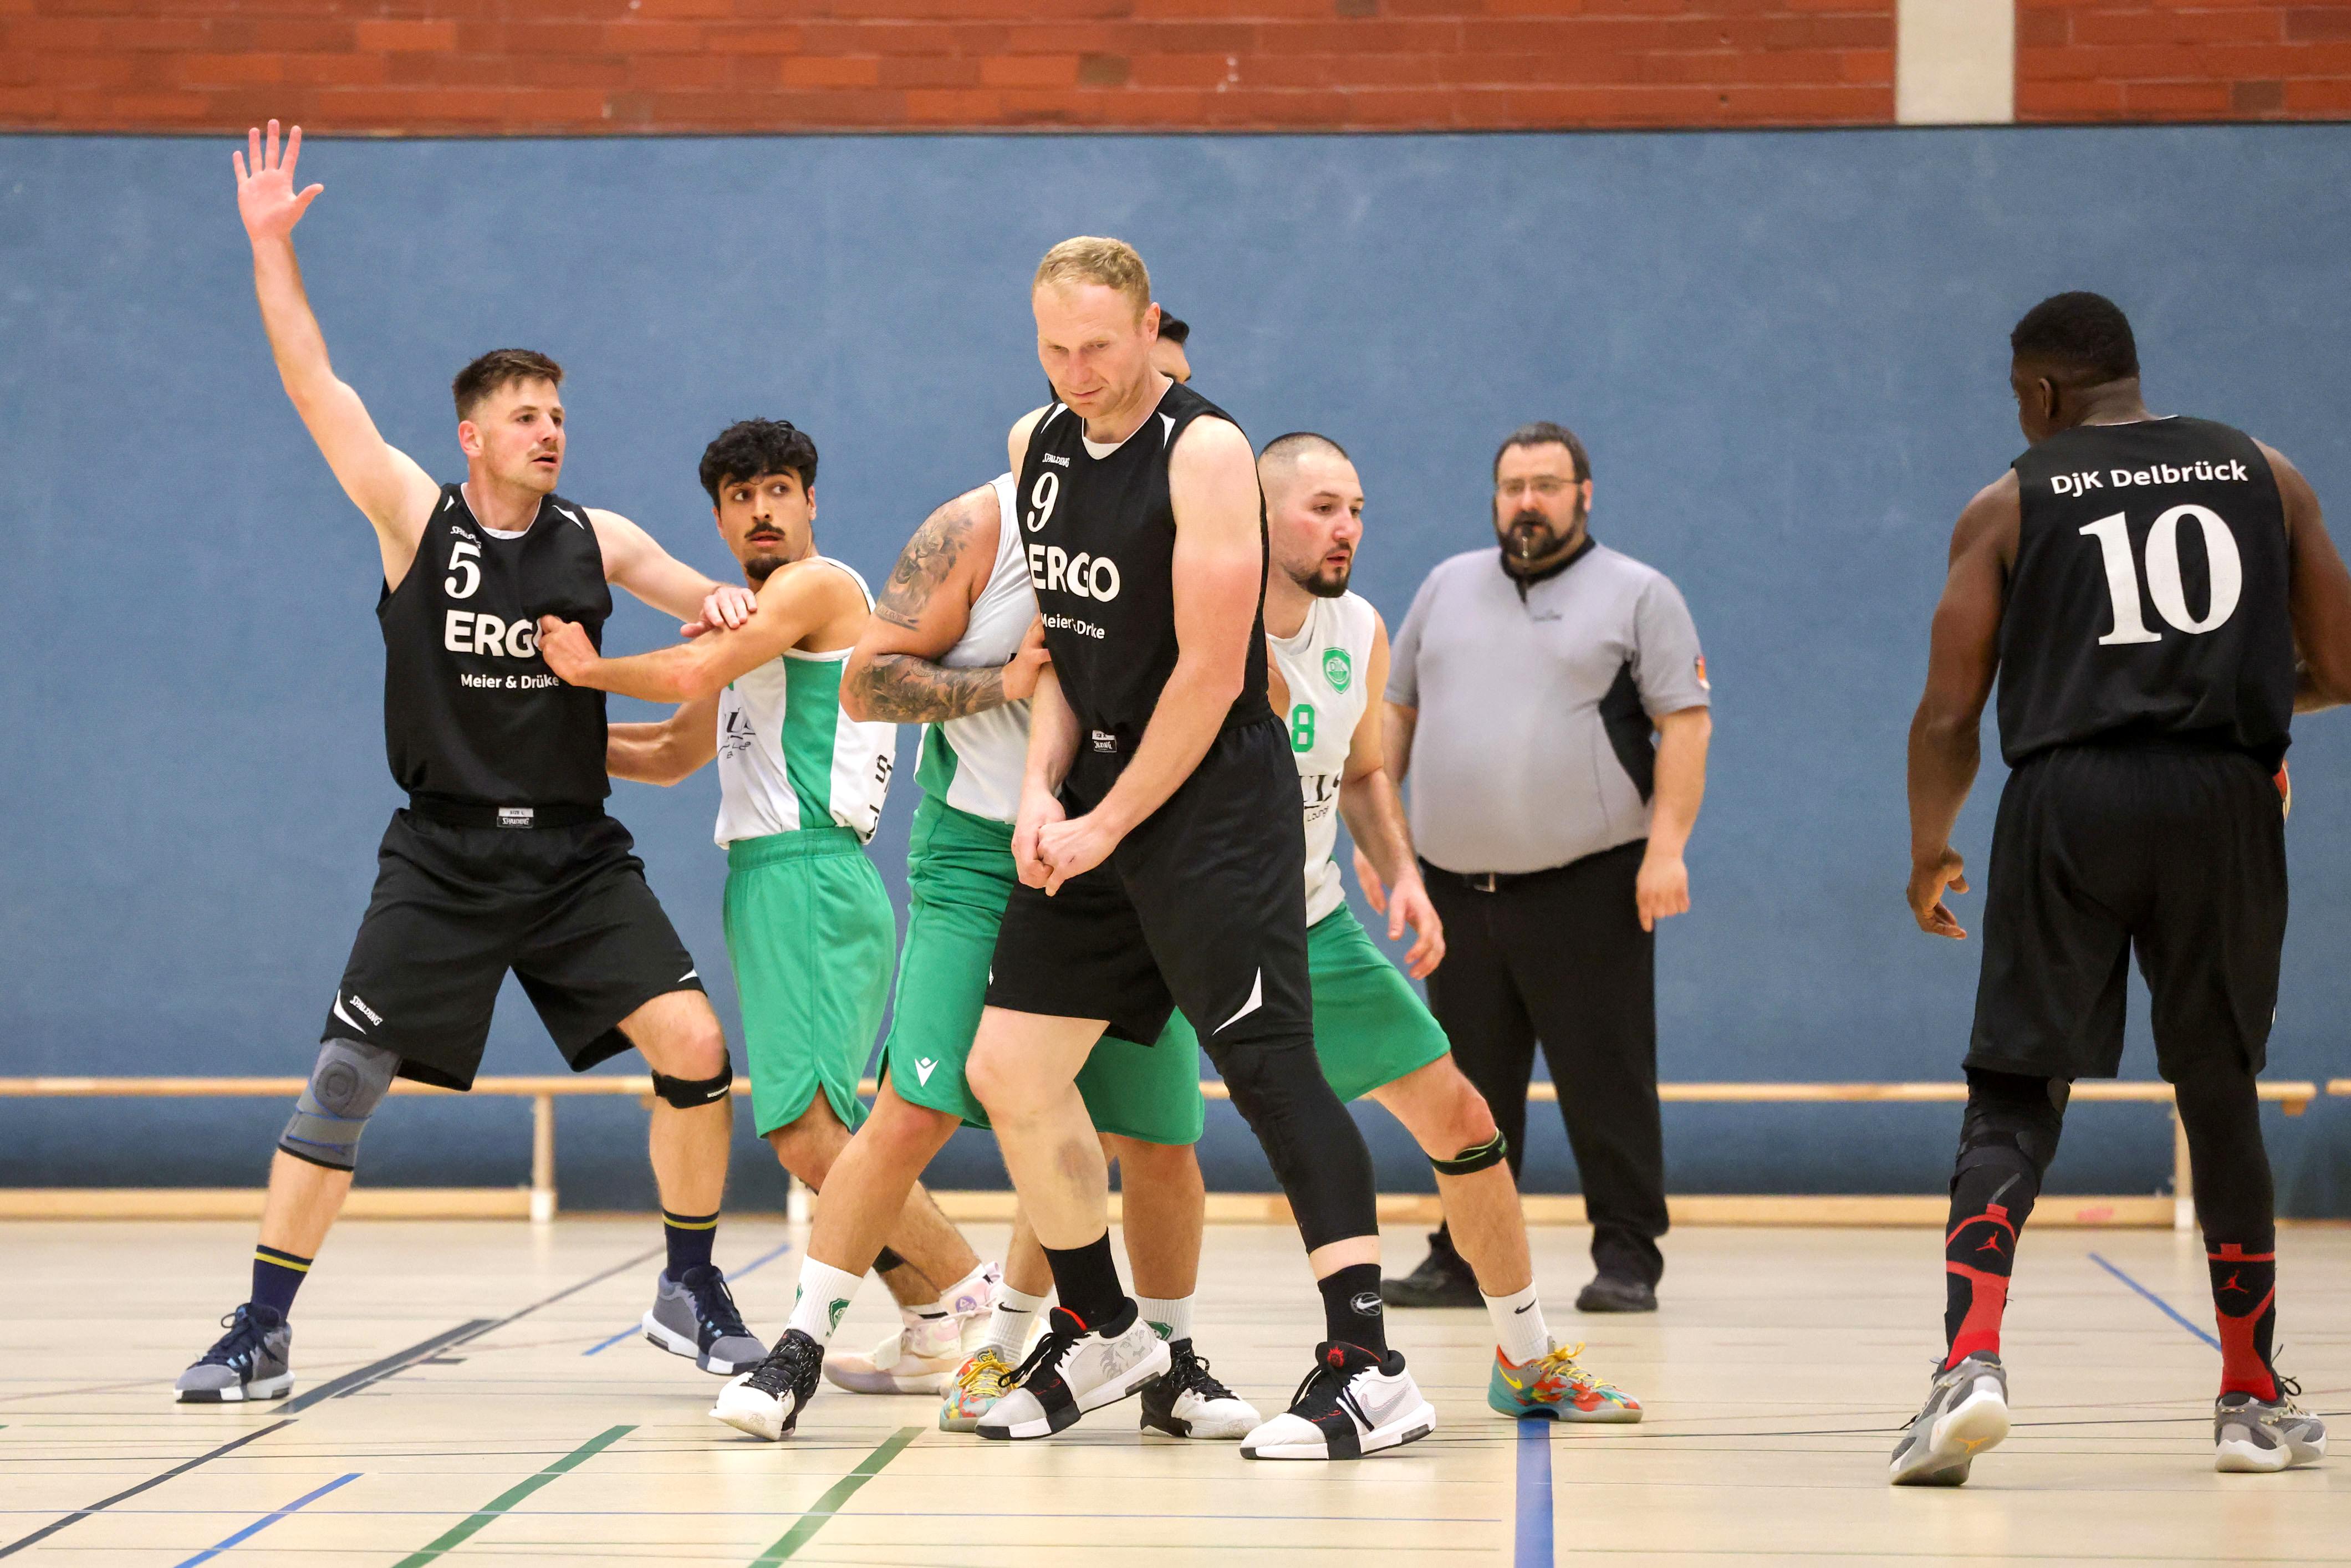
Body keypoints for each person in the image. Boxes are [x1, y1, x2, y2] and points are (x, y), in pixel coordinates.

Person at [722, 238, 1429, 1461]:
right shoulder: (1036, 451)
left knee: (1256, 1077)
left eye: (1099, 346)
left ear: (1150, 329)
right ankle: (1100, 1327)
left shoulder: (1205, 454)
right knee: (1004, 1067)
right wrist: (1048, 789)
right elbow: (1067, 653)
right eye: (1055, 348)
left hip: (1203, 811)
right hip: (1074, 812)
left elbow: (1211, 675)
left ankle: (1367, 1366)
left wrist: (1102, 816)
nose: (1077, 370)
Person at [177, 122, 763, 1402]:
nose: (550, 431)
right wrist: (271, 247)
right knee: (344, 1078)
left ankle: (689, 1284)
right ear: (472, 436)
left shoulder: (597, 537)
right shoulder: (411, 516)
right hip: (442, 854)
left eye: (559, 414)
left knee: (693, 1040)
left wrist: (725, 604)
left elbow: (708, 606)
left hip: (575, 856)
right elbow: (313, 384)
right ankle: (261, 1322)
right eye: (526, 416)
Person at [1892, 292, 2347, 1484]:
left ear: (2042, 393)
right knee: (2219, 1086)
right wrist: (2234, 707)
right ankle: (2247, 1395)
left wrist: (1929, 847)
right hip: (2223, 799)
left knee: (2015, 1084)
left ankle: (1969, 1365)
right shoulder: (2268, 474)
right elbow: (2342, 664)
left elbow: (1948, 714)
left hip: (2069, 799)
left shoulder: (2007, 502)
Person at [706, 466, 1259, 1443]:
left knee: (1154, 1133)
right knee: (911, 1108)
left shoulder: (1187, 522)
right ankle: (797, 1347)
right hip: (977, 850)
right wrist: (1001, 679)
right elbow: (867, 683)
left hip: (1120, 856)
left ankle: (1148, 1361)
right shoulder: (977, 524)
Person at [1157, 430, 1642, 1422]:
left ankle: (1526, 1358)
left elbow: (1365, 770)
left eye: (1356, 511)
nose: (1346, 529)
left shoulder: (1361, 628)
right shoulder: (1196, 619)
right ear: (1258, 516)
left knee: (1465, 1121)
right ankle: (1028, 1341)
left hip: (1309, 922)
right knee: (1113, 1128)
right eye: (1322, 509)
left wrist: (1403, 877)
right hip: (1174, 925)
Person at [542, 417, 1004, 1383]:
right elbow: (672, 751)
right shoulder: (754, 623)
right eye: (741, 496)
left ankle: (982, 1303)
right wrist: (520, 749)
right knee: (819, 1138)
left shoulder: (814, 587)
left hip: (809, 875)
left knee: (811, 1137)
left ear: (810, 501)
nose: (761, 509)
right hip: (770, 881)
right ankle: (927, 1317)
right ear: (718, 518)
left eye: (779, 489)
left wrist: (584, 673)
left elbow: (685, 670)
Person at [1381, 421, 1711, 1315]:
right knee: (1464, 1088)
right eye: (1512, 487)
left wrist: (1666, 849)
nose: (1527, 502)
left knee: (1606, 1081)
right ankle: (1462, 1256)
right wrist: (1387, 850)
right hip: (1454, 889)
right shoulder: (1445, 586)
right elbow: (1396, 711)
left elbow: (1685, 723)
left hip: (1589, 885)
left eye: (1546, 486)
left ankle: (1627, 1255)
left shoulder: (1639, 593)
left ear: (1583, 495)